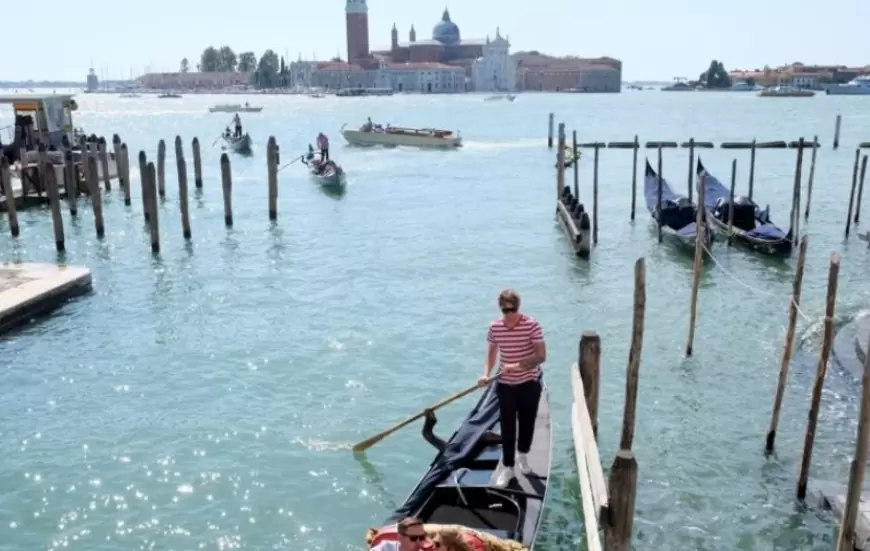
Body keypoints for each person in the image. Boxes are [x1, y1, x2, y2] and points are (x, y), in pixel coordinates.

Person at [478, 289, 545, 488]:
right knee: (507, 427)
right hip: (505, 385)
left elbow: (541, 357)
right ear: (501, 309)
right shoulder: (495, 327)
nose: (510, 314)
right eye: (506, 310)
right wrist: (486, 374)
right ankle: (508, 467)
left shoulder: (532, 325)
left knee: (527, 424)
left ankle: (522, 455)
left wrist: (514, 366)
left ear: (518, 306)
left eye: (512, 309)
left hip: (529, 384)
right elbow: (491, 353)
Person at [367, 517, 431, 551]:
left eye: (421, 537)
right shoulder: (384, 548)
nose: (418, 541)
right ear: (401, 537)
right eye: (413, 538)